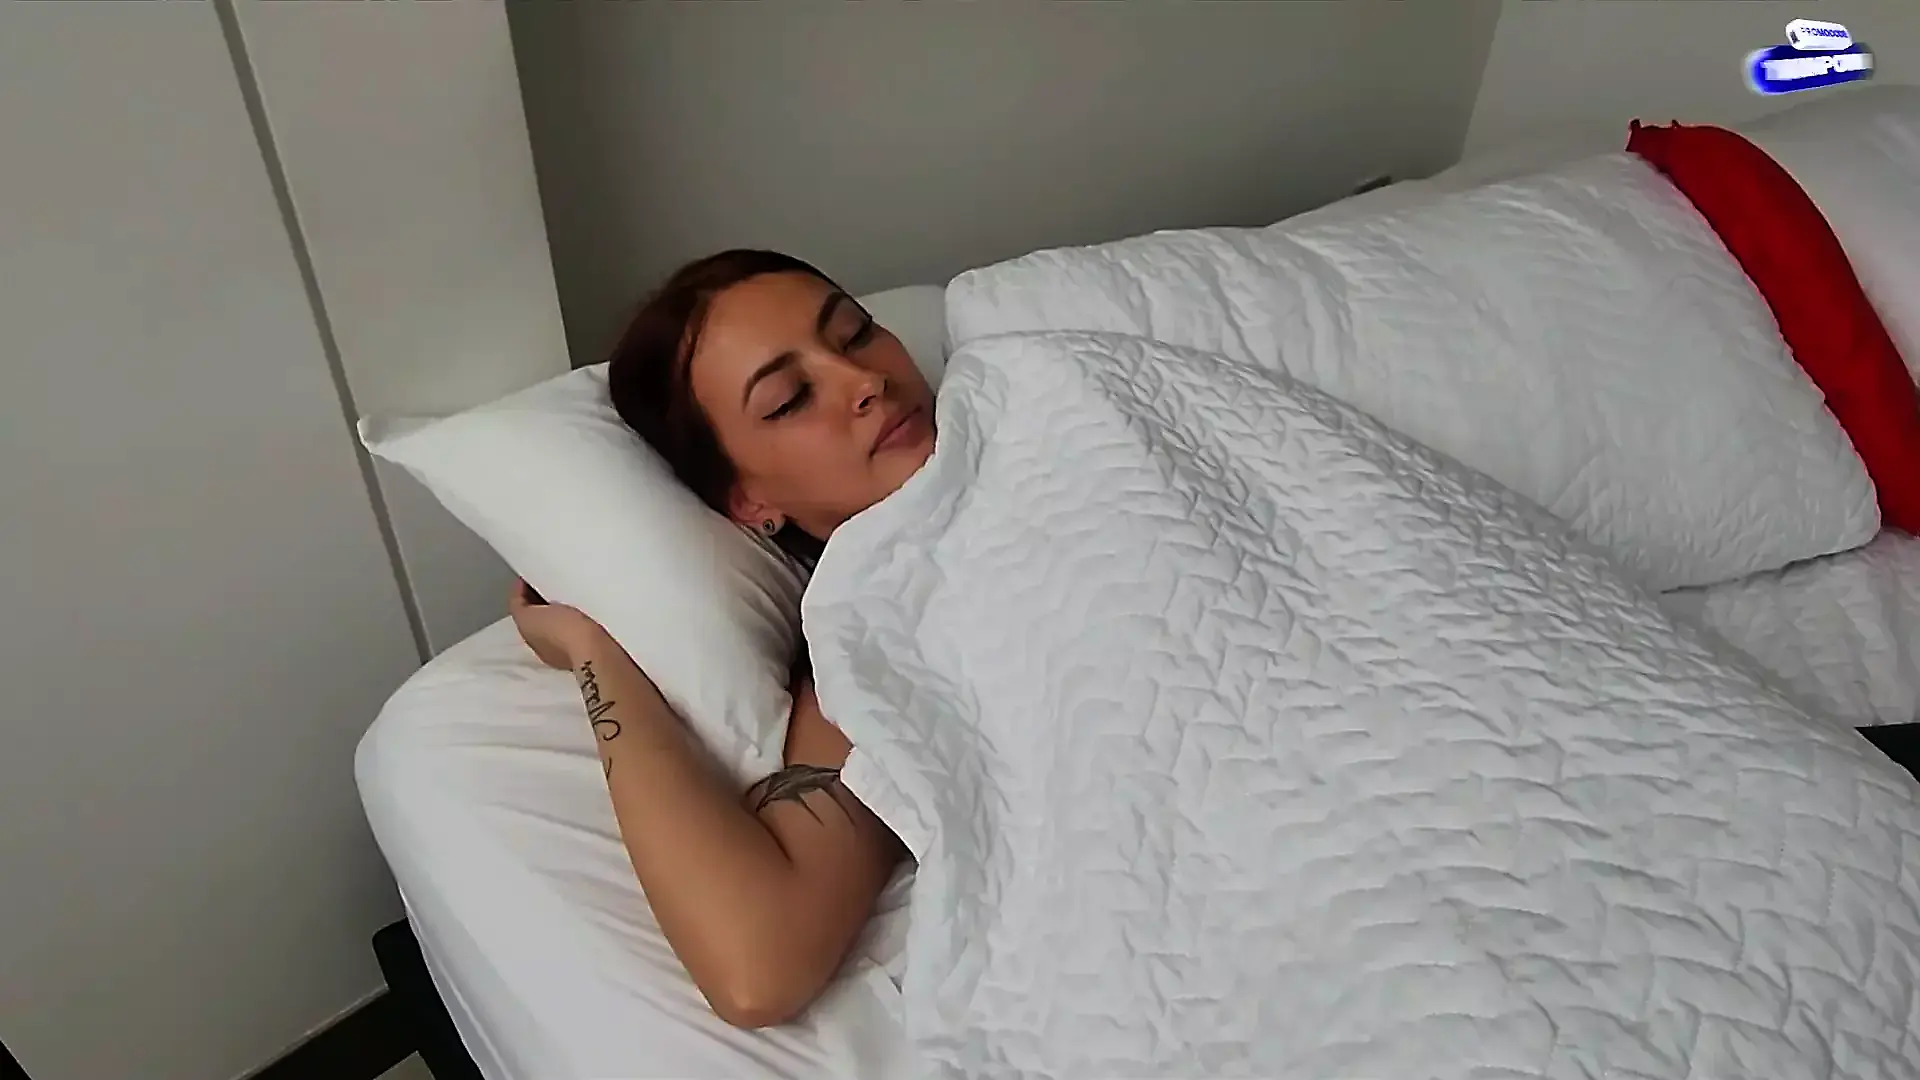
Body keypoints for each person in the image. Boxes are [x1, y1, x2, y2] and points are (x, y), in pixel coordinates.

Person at [505, 250, 937, 1029]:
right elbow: (757, 967)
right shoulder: (871, 636)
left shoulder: (1037, 391)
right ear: (749, 501)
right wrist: (592, 651)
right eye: (789, 399)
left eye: (856, 333)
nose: (864, 379)